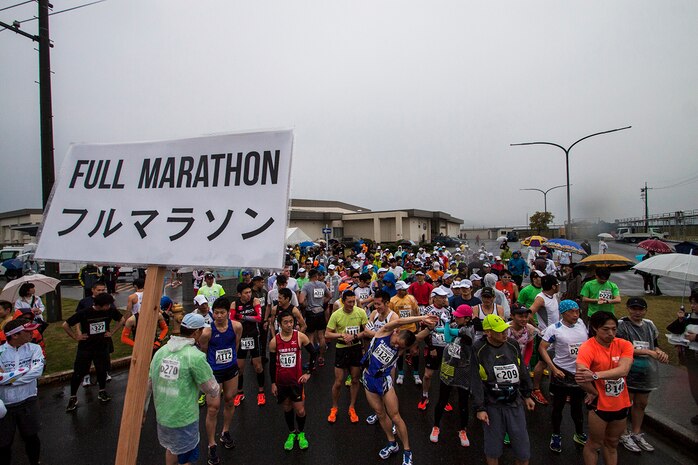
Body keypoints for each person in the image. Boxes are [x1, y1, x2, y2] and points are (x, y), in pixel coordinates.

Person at [361, 311, 437, 465]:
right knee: (380, 413)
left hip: (384, 381)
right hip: (368, 378)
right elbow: (400, 321)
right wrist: (422, 318)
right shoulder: (384, 332)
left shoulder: (401, 346)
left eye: (400, 347)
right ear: (396, 332)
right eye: (396, 342)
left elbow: (419, 337)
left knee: (395, 416)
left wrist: (429, 329)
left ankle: (407, 450)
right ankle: (392, 443)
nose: (396, 346)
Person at [148, 313, 220, 465]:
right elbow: (211, 388)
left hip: (163, 416)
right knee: (187, 457)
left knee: (171, 449)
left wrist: (142, 412)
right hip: (184, 418)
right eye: (202, 331)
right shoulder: (194, 356)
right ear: (196, 333)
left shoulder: (161, 352)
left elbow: (149, 382)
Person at [472, 314, 535, 465]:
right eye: (500, 331)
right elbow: (475, 380)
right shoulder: (478, 349)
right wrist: (480, 408)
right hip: (492, 404)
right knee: (493, 449)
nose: (504, 334)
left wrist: (527, 395)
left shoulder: (512, 344)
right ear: (488, 332)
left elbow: (522, 369)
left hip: (515, 403)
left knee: (523, 451)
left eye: (505, 330)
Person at [575, 311, 634, 465]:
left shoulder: (624, 344)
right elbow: (581, 377)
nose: (611, 333)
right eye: (605, 329)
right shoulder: (587, 348)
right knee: (594, 444)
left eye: (614, 329)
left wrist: (595, 375)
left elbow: (623, 370)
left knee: (613, 443)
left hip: (621, 403)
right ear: (595, 328)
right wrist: (594, 392)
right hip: (599, 406)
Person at [616, 297, 668, 453]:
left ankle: (636, 433)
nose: (637, 312)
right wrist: (648, 352)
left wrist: (660, 353)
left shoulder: (650, 325)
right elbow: (621, 348)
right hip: (628, 371)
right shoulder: (622, 325)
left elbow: (655, 345)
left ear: (645, 310)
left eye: (640, 309)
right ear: (628, 308)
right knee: (626, 404)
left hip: (647, 372)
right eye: (633, 308)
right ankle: (623, 433)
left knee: (641, 404)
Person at [538, 299, 589, 452]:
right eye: (571, 312)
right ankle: (556, 434)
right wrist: (553, 368)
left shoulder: (580, 324)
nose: (575, 314)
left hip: (579, 372)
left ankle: (579, 433)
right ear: (563, 313)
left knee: (577, 408)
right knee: (558, 407)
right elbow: (542, 348)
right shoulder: (554, 329)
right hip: (561, 372)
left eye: (577, 311)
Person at [198, 297, 243, 464]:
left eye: (222, 313)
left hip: (231, 371)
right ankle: (211, 444)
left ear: (227, 313)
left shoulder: (236, 326)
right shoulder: (207, 332)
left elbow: (235, 345)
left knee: (230, 400)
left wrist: (231, 362)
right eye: (216, 313)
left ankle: (225, 432)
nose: (218, 316)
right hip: (213, 373)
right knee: (213, 408)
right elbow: (203, 352)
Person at [63, 293, 125, 412]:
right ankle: (73, 397)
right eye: (107, 305)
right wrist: (76, 337)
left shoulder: (110, 311)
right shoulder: (85, 312)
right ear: (100, 305)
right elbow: (65, 325)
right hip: (86, 347)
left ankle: (102, 391)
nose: (109, 307)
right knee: (79, 372)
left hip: (102, 346)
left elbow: (122, 319)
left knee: (102, 369)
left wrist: (111, 332)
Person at [269, 310, 317, 451]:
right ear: (279, 324)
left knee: (300, 411)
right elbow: (272, 365)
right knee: (287, 408)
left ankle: (301, 434)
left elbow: (313, 353)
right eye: (286, 322)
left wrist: (309, 373)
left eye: (291, 322)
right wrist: (272, 383)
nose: (289, 325)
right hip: (282, 382)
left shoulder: (300, 337)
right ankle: (292, 433)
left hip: (297, 382)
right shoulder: (274, 342)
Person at [429, 305, 475, 448]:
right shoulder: (457, 324)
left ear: (467, 318)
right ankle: (436, 426)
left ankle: (463, 430)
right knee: (442, 399)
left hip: (463, 370)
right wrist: (434, 328)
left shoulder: (469, 330)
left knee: (463, 402)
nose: (455, 317)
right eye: (455, 315)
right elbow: (443, 331)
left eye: (458, 316)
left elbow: (448, 337)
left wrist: (447, 323)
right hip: (448, 366)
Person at [0, 319, 44, 465]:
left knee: (32, 437)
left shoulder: (34, 349)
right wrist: (25, 371)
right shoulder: (1, 352)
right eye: (28, 331)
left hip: (28, 400)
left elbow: (36, 372)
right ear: (15, 335)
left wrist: (9, 379)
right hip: (5, 406)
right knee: (4, 443)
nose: (33, 333)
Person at [324, 290, 368, 424]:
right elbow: (327, 334)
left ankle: (352, 407)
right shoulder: (336, 315)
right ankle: (334, 407)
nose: (351, 304)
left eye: (353, 301)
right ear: (343, 301)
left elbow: (366, 331)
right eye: (349, 302)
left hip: (355, 349)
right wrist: (341, 335)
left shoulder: (360, 312)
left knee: (355, 379)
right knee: (338, 382)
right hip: (341, 349)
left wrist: (354, 336)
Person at [230, 282, 265, 406]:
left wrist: (242, 317)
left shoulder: (255, 301)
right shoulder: (234, 304)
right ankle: (240, 392)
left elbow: (259, 318)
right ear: (239, 294)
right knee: (239, 367)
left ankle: (261, 391)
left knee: (258, 366)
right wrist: (247, 316)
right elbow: (232, 320)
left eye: (250, 292)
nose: (249, 295)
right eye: (246, 293)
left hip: (254, 335)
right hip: (241, 338)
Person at [418, 287, 453, 410]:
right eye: (441, 297)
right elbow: (423, 330)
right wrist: (431, 347)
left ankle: (444, 399)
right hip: (433, 346)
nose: (444, 299)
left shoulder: (449, 310)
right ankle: (424, 396)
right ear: (434, 298)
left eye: (445, 297)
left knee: (446, 375)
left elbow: (453, 326)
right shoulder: (428, 310)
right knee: (428, 375)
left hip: (447, 347)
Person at [528, 275, 561, 405]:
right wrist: (538, 328)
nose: (559, 286)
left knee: (555, 361)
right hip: (546, 336)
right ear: (553, 286)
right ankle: (535, 388)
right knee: (542, 363)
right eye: (557, 284)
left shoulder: (553, 296)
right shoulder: (541, 298)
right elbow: (529, 313)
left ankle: (554, 387)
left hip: (556, 333)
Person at [667, 291, 698, 425]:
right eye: (692, 303)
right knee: (694, 386)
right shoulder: (690, 317)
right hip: (692, 357)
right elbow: (674, 330)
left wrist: (696, 338)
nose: (693, 306)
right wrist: (680, 320)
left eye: (696, 303)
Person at [390, 281, 421, 385]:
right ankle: (401, 373)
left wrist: (419, 326)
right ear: (398, 290)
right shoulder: (393, 301)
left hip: (412, 330)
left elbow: (416, 311)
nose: (406, 291)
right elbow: (391, 317)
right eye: (403, 289)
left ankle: (416, 373)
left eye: (406, 289)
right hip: (400, 332)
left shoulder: (411, 298)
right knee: (399, 353)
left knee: (415, 352)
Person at [299, 269, 330, 365]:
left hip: (311, 313)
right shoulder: (322, 284)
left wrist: (306, 305)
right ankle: (321, 357)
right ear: (316, 275)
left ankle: (311, 360)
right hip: (320, 312)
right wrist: (321, 302)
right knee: (321, 336)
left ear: (309, 276)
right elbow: (330, 296)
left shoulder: (306, 285)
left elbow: (301, 300)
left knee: (310, 337)